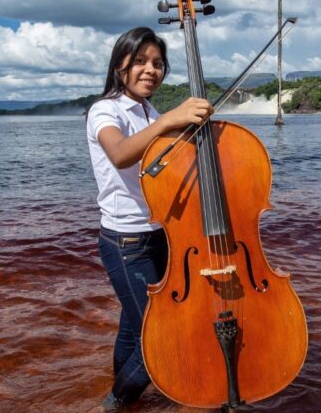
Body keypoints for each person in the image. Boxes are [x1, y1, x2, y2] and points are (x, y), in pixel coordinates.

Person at [85, 26, 212, 408]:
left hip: (159, 235)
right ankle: (116, 403)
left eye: (157, 63)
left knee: (133, 327)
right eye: (140, 61)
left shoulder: (149, 111)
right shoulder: (105, 110)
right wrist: (169, 121)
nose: (150, 69)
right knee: (162, 336)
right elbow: (121, 153)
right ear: (119, 65)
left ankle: (123, 393)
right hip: (126, 242)